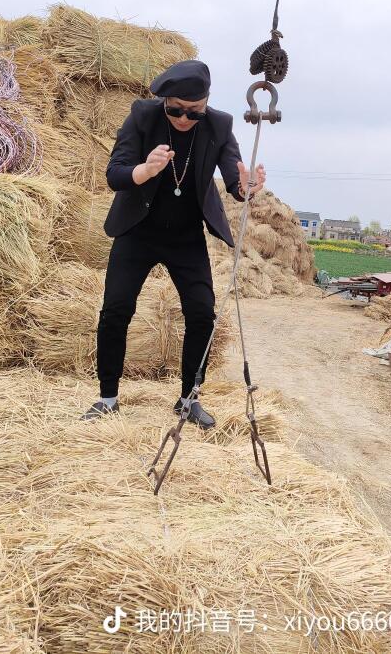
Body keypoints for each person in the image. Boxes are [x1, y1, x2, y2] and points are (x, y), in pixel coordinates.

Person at [80, 59, 266, 428]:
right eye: (175, 109)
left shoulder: (220, 124)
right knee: (116, 309)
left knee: (201, 314)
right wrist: (145, 170)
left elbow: (235, 180)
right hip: (138, 230)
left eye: (192, 112)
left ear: (206, 103)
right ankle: (107, 398)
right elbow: (114, 173)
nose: (183, 118)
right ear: (165, 101)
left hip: (185, 237)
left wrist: (248, 188)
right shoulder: (143, 116)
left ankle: (188, 399)